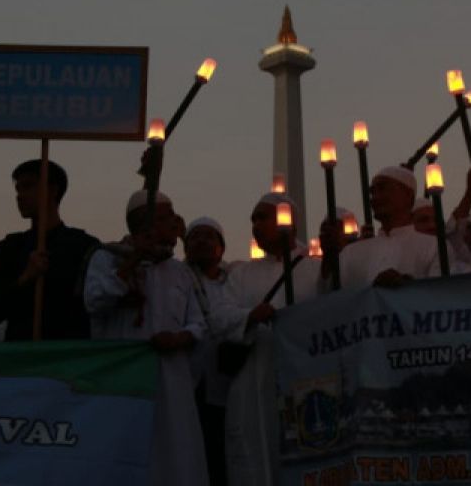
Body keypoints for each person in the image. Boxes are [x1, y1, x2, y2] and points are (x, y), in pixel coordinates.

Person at [85, 190, 208, 486]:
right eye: (167, 216)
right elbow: (94, 299)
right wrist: (134, 261)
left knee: (175, 461)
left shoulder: (179, 272)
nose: (176, 221)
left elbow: (199, 323)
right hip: (124, 385)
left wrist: (180, 338)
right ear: (145, 223)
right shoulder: (107, 258)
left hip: (172, 387)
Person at [219, 193, 321, 486]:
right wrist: (250, 316)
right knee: (254, 449)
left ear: (289, 222)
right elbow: (219, 315)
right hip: (254, 377)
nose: (256, 225)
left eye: (263, 217)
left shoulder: (315, 270)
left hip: (305, 376)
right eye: (253, 219)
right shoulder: (242, 274)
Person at [0, 160, 98, 341]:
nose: (20, 196)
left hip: (68, 358)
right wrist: (25, 278)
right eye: (18, 189)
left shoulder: (83, 246)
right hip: (21, 359)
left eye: (28, 186)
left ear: (53, 190)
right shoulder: (8, 248)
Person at [184, 217, 234, 486]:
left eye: (209, 236)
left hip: (225, 385)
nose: (201, 241)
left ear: (221, 248)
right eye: (195, 236)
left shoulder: (235, 281)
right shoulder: (176, 279)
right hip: (188, 382)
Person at [339, 166, 440, 289]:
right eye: (372, 192)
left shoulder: (434, 247)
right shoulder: (350, 253)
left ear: (408, 195)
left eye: (382, 189)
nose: (375, 198)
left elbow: (440, 295)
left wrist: (409, 285)